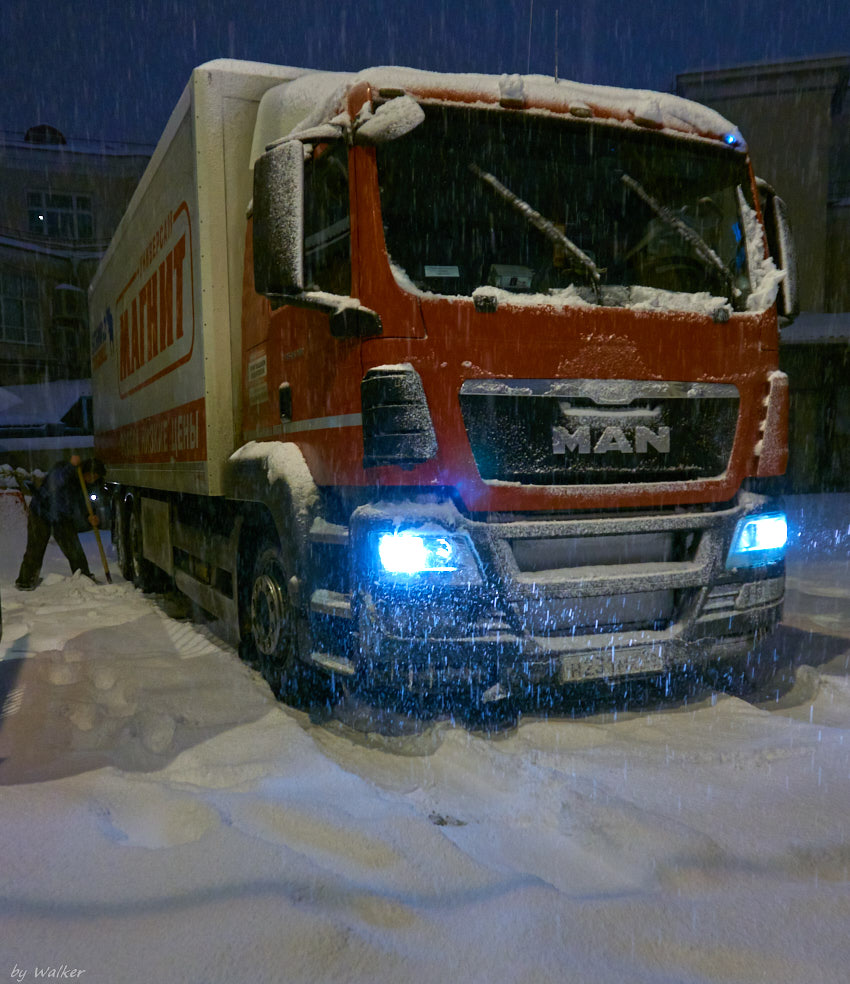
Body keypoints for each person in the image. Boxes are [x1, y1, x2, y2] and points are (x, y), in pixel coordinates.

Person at [15, 454, 106, 591]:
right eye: (91, 475)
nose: (92, 479)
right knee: (36, 548)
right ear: (85, 471)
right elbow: (57, 480)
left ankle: (84, 578)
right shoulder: (63, 470)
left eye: (95, 477)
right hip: (41, 511)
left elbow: (84, 503)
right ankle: (25, 581)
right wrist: (71, 467)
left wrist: (89, 516)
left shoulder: (85, 485)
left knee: (74, 549)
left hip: (62, 517)